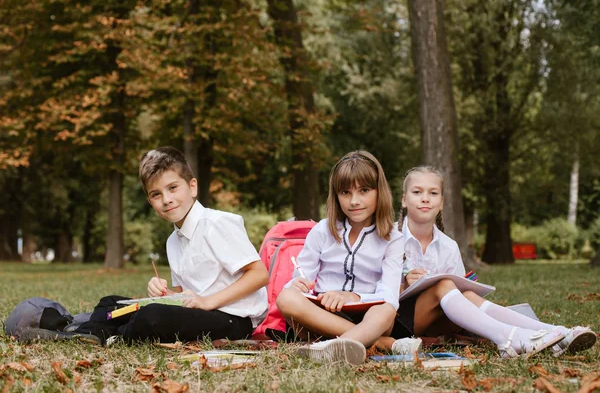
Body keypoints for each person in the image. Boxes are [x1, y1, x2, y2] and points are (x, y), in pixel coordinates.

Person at [44, 147, 269, 345]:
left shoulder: (216, 224)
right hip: (197, 311)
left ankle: (108, 334)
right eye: (156, 194)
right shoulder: (174, 240)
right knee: (111, 303)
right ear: (150, 201)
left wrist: (208, 302)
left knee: (152, 316)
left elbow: (259, 274)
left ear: (192, 187)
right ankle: (91, 331)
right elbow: (186, 291)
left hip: (234, 319)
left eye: (173, 188)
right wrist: (166, 293)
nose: (166, 199)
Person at [377, 166, 597, 358]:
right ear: (404, 200)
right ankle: (508, 339)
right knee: (443, 285)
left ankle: (556, 332)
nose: (425, 198)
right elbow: (370, 291)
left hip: (437, 323)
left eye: (433, 193)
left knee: (467, 294)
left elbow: (458, 296)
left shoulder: (448, 246)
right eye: (417, 192)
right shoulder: (389, 239)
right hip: (396, 322)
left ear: (442, 202)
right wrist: (405, 283)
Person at [276, 150, 404, 365]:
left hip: (368, 315)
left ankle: (336, 346)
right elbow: (301, 275)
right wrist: (297, 284)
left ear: (379, 191)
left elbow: (390, 295)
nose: (354, 201)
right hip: (321, 316)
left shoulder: (393, 237)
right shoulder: (322, 230)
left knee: (387, 309)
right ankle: (377, 343)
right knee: (285, 297)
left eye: (364, 190)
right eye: (345, 192)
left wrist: (353, 297)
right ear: (336, 195)